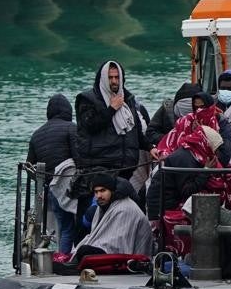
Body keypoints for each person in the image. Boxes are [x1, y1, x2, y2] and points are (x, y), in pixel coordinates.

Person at [75, 61, 147, 205]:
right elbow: (89, 126)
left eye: (117, 77)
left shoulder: (127, 99)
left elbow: (136, 131)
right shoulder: (87, 99)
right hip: (99, 167)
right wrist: (111, 109)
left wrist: (151, 148)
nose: (114, 81)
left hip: (125, 168)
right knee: (92, 211)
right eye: (110, 77)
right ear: (102, 78)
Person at [27, 94, 79, 253]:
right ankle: (67, 260)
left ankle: (58, 257)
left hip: (50, 190)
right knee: (72, 227)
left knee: (63, 227)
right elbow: (79, 158)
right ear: (68, 110)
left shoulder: (37, 134)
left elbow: (30, 168)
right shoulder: (71, 127)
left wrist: (45, 182)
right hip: (69, 188)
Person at [71, 173, 153, 262]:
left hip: (131, 259)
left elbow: (118, 245)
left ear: (112, 191)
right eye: (96, 192)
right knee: (81, 251)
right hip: (110, 251)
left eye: (103, 190)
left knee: (85, 251)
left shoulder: (124, 208)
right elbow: (95, 235)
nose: (99, 196)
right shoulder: (104, 206)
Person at [145, 82, 201, 148]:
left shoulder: (208, 114)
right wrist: (171, 139)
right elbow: (150, 133)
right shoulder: (167, 109)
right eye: (184, 107)